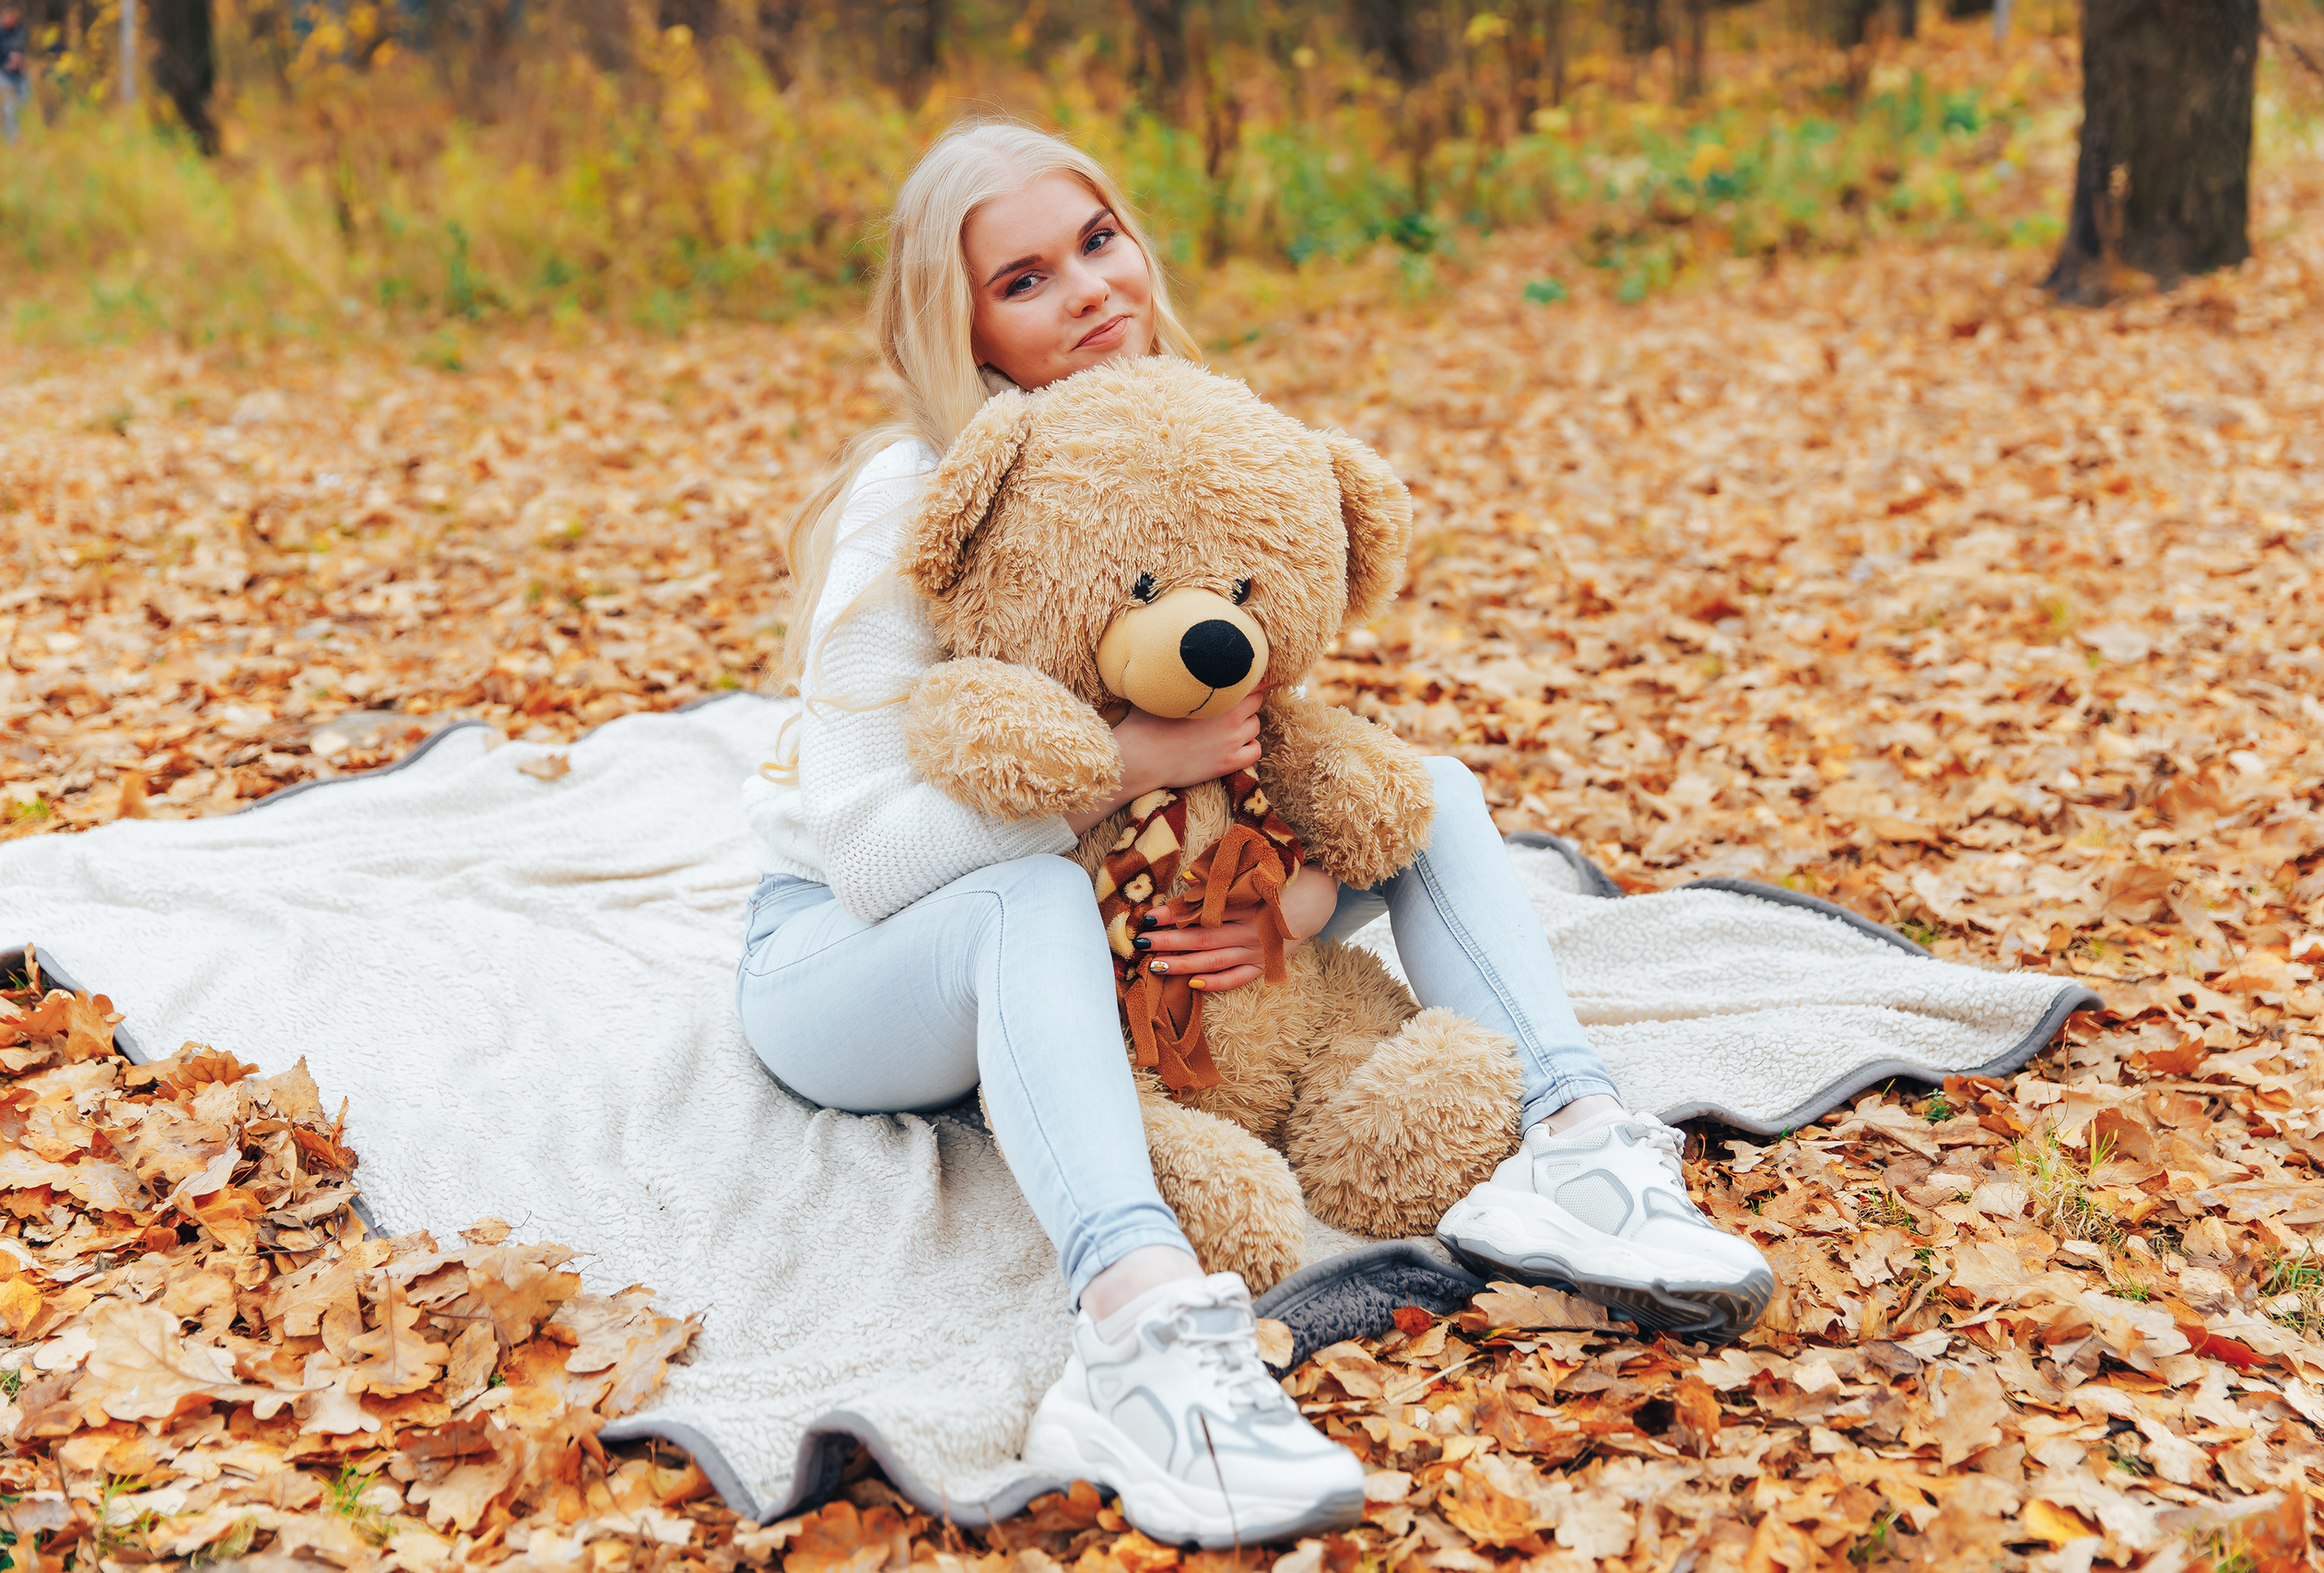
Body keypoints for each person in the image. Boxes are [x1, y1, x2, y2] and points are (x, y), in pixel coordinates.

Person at [735, 120, 1774, 1545]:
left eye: (1099, 240)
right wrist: (1117, 763)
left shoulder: (1190, 434)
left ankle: (1574, 1136)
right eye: (1025, 278)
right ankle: (1138, 1328)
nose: (1092, 289)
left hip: (1123, 932)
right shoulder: (923, 487)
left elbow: (1267, 770)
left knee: (1438, 790)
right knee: (1030, 895)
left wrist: (1289, 904)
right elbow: (870, 855)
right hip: (849, 963)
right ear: (957, 322)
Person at [0, 5, 26, 146]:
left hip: (19, 76)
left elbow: (21, 48)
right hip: (3, 76)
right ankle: (11, 142)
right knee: (8, 108)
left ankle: (19, 139)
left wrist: (18, 60)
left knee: (22, 107)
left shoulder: (20, 30)